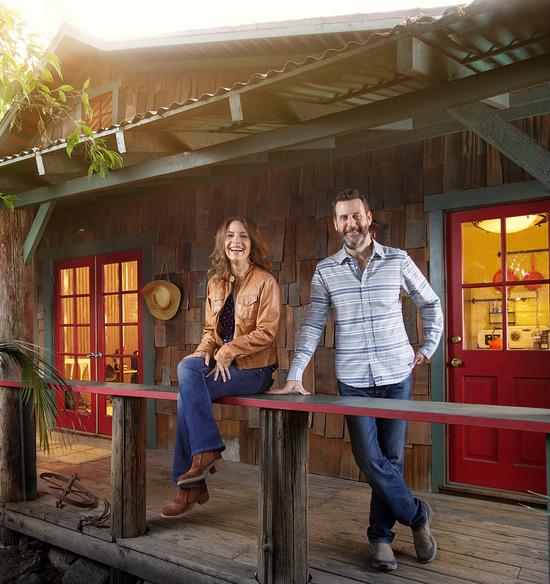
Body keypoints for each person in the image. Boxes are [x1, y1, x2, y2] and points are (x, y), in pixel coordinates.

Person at [268, 189, 443, 570]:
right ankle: (417, 514)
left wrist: (427, 348)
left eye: (356, 216)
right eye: (343, 218)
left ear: (369, 216)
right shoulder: (326, 271)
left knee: (391, 459)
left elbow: (430, 302)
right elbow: (314, 323)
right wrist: (296, 373)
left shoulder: (397, 260)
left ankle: (380, 537)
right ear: (336, 224)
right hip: (355, 381)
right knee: (370, 460)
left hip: (397, 375)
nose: (351, 224)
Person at [160, 217, 280, 519]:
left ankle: (188, 487)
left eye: (243, 236)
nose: (235, 241)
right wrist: (203, 354)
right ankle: (204, 456)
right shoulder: (216, 283)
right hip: (220, 365)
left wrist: (229, 350)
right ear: (222, 242)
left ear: (252, 243)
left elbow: (267, 332)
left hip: (254, 370)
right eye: (229, 236)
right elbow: (209, 332)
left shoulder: (265, 282)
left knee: (184, 396)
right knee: (187, 369)